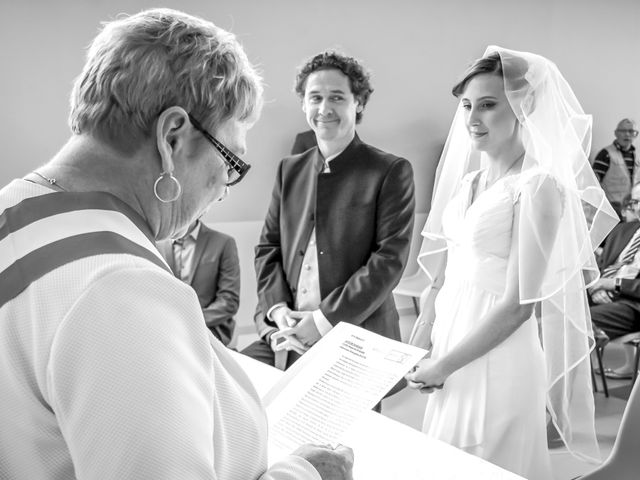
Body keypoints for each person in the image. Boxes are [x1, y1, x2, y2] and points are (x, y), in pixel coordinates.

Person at [0, 9, 353, 480]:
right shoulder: (120, 291)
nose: (225, 187)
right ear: (172, 136)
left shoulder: (14, 208)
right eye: (230, 160)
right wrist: (306, 474)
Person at [404, 46, 617, 479]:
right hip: (451, 345)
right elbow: (442, 278)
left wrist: (443, 366)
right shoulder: (467, 183)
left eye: (487, 105)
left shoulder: (538, 186)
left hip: (498, 359)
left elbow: (520, 304)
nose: (472, 119)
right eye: (466, 105)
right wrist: (423, 342)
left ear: (524, 107)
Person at [242, 51, 415, 370]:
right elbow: (268, 247)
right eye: (315, 97)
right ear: (303, 104)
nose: (324, 109)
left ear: (358, 102)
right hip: (287, 331)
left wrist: (323, 321)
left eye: (337, 97)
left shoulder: (390, 171)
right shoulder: (289, 169)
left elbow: (388, 261)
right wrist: (278, 309)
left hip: (355, 337)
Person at [157, 218, 240, 346]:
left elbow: (228, 301)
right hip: (165, 331)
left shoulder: (223, 242)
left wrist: (190, 322)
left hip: (209, 329)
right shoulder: (156, 244)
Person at [590, 180, 640, 379]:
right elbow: (599, 268)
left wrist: (615, 284)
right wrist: (595, 287)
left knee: (578, 321)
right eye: (635, 201)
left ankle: (565, 391)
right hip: (602, 294)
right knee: (557, 309)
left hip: (632, 304)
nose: (636, 207)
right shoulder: (622, 231)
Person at [592, 118, 638, 217]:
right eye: (623, 131)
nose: (627, 134)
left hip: (633, 211)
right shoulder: (605, 154)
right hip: (611, 210)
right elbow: (593, 183)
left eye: (631, 131)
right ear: (616, 133)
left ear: (636, 134)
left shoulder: (637, 156)